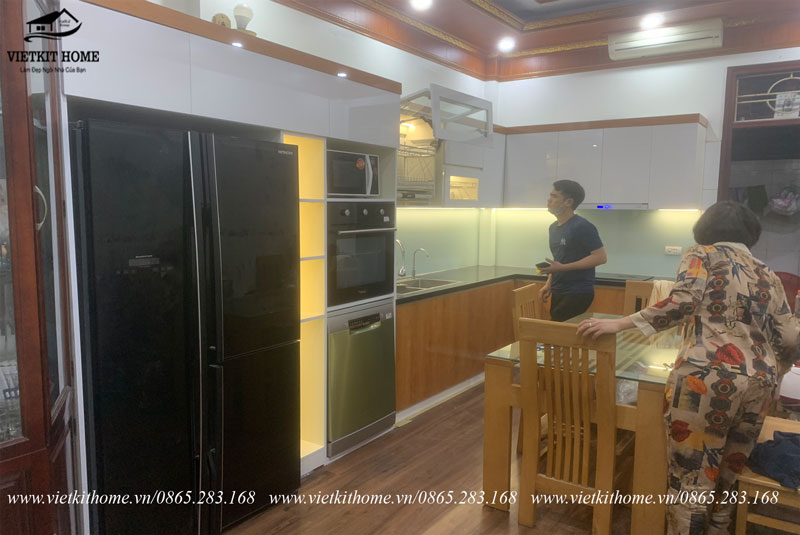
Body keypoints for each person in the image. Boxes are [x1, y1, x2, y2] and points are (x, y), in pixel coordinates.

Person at [577, 201, 800, 535]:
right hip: (760, 383)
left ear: (705, 228)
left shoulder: (702, 254)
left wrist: (620, 324)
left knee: (693, 474)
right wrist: (772, 370)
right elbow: (790, 336)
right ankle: (718, 529)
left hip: (707, 377)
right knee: (730, 469)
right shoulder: (767, 272)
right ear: (751, 234)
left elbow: (684, 301)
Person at [539, 180, 607, 322]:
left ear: (568, 202)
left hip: (577, 292)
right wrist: (549, 283)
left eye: (554, 196)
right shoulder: (553, 227)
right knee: (558, 330)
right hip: (559, 289)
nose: (549, 200)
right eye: (550, 195)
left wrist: (562, 268)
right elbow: (559, 260)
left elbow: (600, 257)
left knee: (560, 331)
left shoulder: (582, 226)